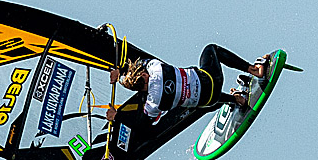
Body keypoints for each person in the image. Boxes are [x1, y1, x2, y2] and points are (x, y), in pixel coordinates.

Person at [105, 44, 268, 124]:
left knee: (188, 100)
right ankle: (254, 70)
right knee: (211, 49)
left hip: (209, 101)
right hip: (212, 80)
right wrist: (120, 71)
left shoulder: (153, 103)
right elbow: (141, 61)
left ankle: (237, 100)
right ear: (142, 74)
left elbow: (142, 121)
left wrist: (117, 116)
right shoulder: (156, 68)